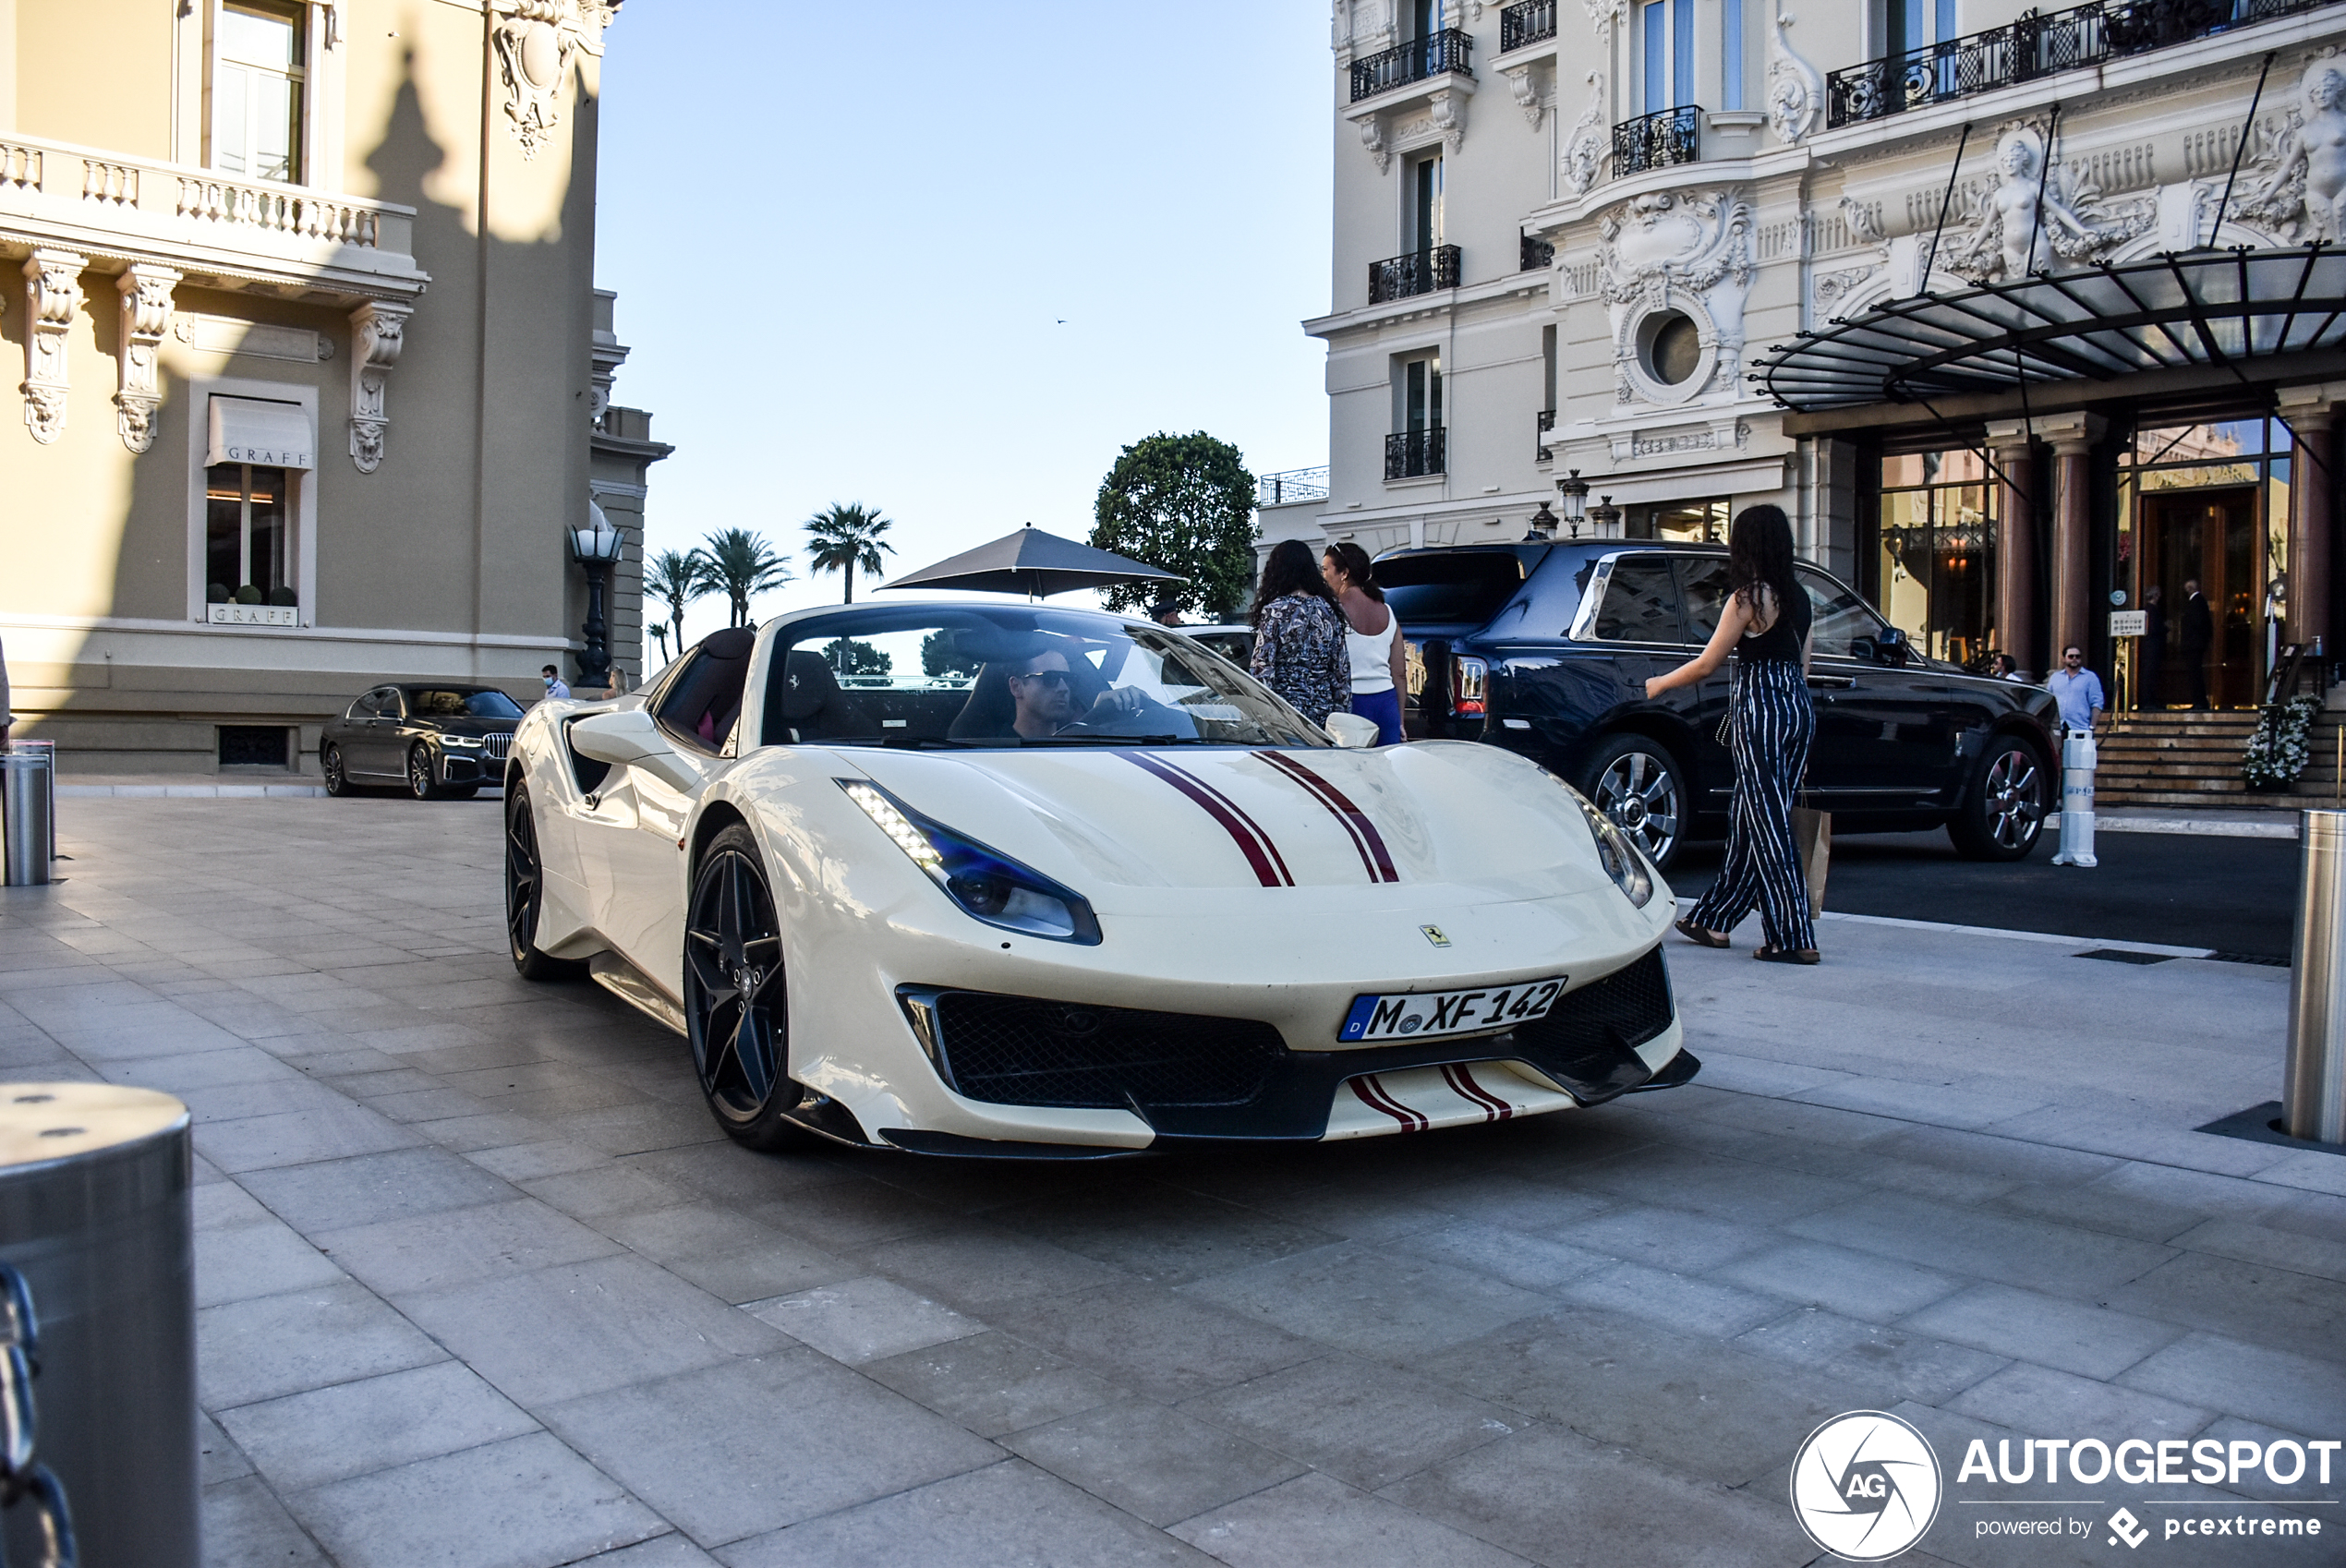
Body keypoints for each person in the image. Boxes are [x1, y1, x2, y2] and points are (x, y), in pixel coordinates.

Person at [1645, 504, 1820, 964]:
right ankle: (1714, 919)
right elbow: (1803, 668)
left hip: (1761, 709)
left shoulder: (1747, 598)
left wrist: (1659, 684)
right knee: (1752, 815)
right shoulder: (1800, 598)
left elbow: (1707, 664)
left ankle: (1793, 936)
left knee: (1768, 824)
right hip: (1797, 710)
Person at [1249, 539, 1349, 727]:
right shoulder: (1329, 610)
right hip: (1323, 713)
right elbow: (1341, 671)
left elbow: (1263, 669)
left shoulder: (1275, 611)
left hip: (1286, 714)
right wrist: (1341, 716)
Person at [1323, 542, 1407, 746]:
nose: (1322, 577)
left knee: (1351, 773)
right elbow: (1400, 673)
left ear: (1344, 573)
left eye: (1325, 569)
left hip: (1351, 705)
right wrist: (1400, 721)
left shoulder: (1332, 611)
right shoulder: (1387, 611)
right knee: (1385, 773)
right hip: (1386, 704)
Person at [1004, 649, 1146, 738]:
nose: (1064, 688)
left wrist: (1097, 718)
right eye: (1050, 678)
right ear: (1016, 687)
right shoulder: (991, 750)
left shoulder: (1081, 744)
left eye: (1068, 679)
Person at [2045, 645, 2105, 735]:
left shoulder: (2090, 677)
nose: (2074, 659)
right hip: (2058, 727)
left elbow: (2097, 703)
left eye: (2077, 656)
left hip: (2080, 727)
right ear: (2064, 659)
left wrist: (2092, 726)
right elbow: (2047, 699)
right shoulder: (2055, 678)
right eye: (2071, 656)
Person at [2179, 579, 2214, 709]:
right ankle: (2199, 701)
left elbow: (2198, 622)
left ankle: (2200, 702)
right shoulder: (2199, 601)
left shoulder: (2197, 601)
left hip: (2194, 644)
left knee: (2195, 674)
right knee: (2195, 673)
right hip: (2196, 643)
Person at [2140, 585, 2166, 710]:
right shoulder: (2152, 610)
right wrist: (2166, 628)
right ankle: (2148, 701)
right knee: (2150, 674)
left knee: (2151, 674)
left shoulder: (2148, 609)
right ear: (2155, 596)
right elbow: (2154, 628)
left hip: (2150, 646)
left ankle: (2150, 700)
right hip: (2152, 647)